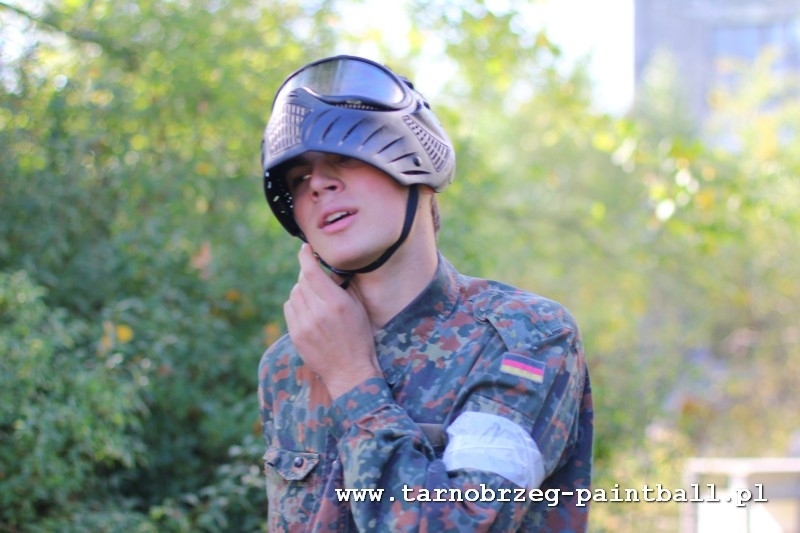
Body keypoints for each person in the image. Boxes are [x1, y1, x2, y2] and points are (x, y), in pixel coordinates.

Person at [258, 54, 593, 532]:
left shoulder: (524, 337)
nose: (318, 185)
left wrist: (351, 377)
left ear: (412, 161)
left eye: (344, 157)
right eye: (297, 179)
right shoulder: (287, 364)